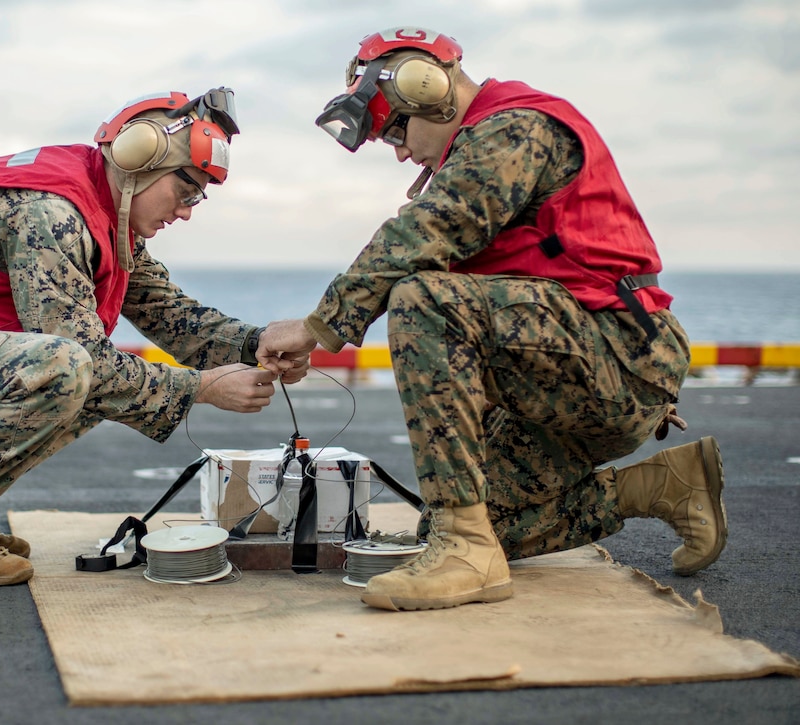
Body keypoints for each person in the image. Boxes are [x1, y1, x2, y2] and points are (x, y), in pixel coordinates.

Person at [256, 28, 727, 612]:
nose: (400, 152)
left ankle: (465, 550)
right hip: (566, 371)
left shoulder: (515, 126)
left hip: (621, 358)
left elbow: (429, 232)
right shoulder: (484, 145)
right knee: (470, 520)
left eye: (397, 131)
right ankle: (660, 488)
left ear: (429, 90)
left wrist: (316, 328)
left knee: (421, 298)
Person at [0, 87, 307, 587]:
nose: (186, 212)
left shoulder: (104, 212)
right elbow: (87, 364)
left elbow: (169, 314)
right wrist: (200, 388)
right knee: (67, 370)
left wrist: (258, 341)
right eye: (186, 193)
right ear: (139, 159)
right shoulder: (49, 215)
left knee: (88, 379)